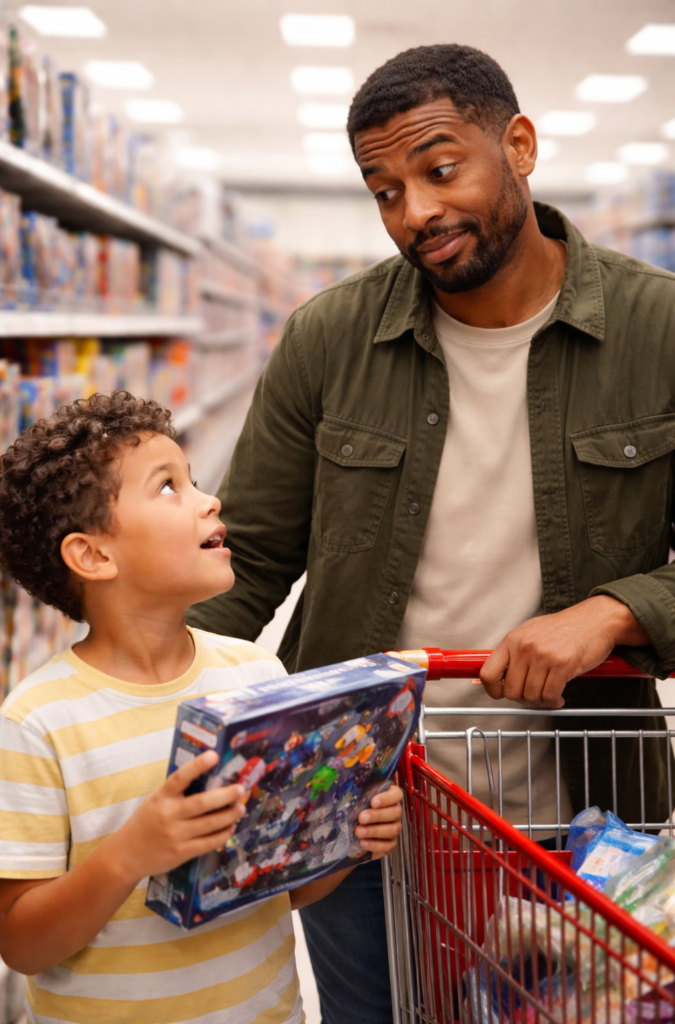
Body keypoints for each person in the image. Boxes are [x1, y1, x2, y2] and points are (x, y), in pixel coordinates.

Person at [186, 42, 675, 1024]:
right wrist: (127, 695)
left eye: (438, 169)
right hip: (363, 807)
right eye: (382, 190)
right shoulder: (330, 336)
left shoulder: (655, 328)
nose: (413, 211)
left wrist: (617, 609)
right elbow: (241, 569)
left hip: (584, 815)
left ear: (518, 146)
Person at [0, 391, 403, 1024]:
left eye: (194, 479)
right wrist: (133, 853)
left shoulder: (257, 676)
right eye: (168, 488)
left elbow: (280, 888)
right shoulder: (39, 723)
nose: (210, 500)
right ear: (94, 555)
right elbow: (22, 944)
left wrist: (348, 840)